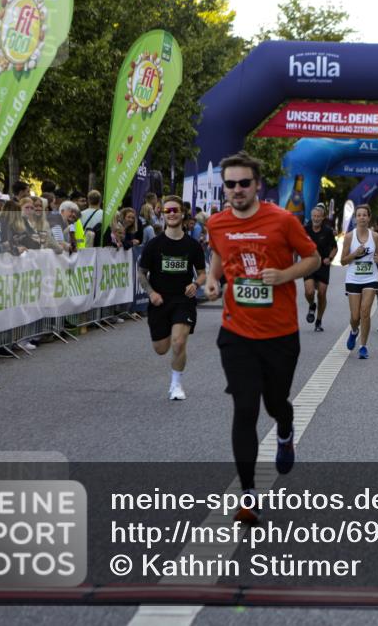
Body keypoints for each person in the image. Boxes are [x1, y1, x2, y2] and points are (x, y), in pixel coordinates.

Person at [205, 152, 319, 524]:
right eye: (230, 184)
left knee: (275, 404)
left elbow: (314, 259)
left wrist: (285, 276)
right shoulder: (217, 223)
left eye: (243, 183)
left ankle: (285, 430)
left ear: (257, 185)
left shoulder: (282, 220)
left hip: (280, 334)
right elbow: (220, 253)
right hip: (236, 333)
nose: (237, 190)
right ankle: (248, 495)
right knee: (245, 409)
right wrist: (212, 278)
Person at [137, 195, 206, 401]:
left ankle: (176, 384)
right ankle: (168, 343)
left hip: (183, 300)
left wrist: (196, 284)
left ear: (182, 213)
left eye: (175, 210)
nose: (172, 214)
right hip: (159, 301)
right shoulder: (154, 244)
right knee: (161, 348)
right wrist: (151, 293)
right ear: (163, 214)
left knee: (178, 342)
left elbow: (202, 272)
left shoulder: (193, 245)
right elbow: (141, 273)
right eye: (168, 211)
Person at [341, 204, 378, 359]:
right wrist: (355, 253)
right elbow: (343, 261)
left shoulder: (375, 236)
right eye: (359, 215)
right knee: (355, 316)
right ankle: (354, 331)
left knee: (365, 312)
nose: (362, 217)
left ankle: (363, 346)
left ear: (369, 217)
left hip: (371, 278)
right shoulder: (349, 237)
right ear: (355, 218)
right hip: (353, 278)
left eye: (365, 215)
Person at [303, 205, 338, 331]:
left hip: (323, 264)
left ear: (323, 218)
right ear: (311, 217)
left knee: (322, 293)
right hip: (309, 264)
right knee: (309, 292)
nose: (316, 218)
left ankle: (318, 321)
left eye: (318, 216)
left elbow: (335, 248)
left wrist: (330, 258)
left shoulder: (327, 231)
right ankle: (312, 305)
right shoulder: (305, 229)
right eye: (314, 216)